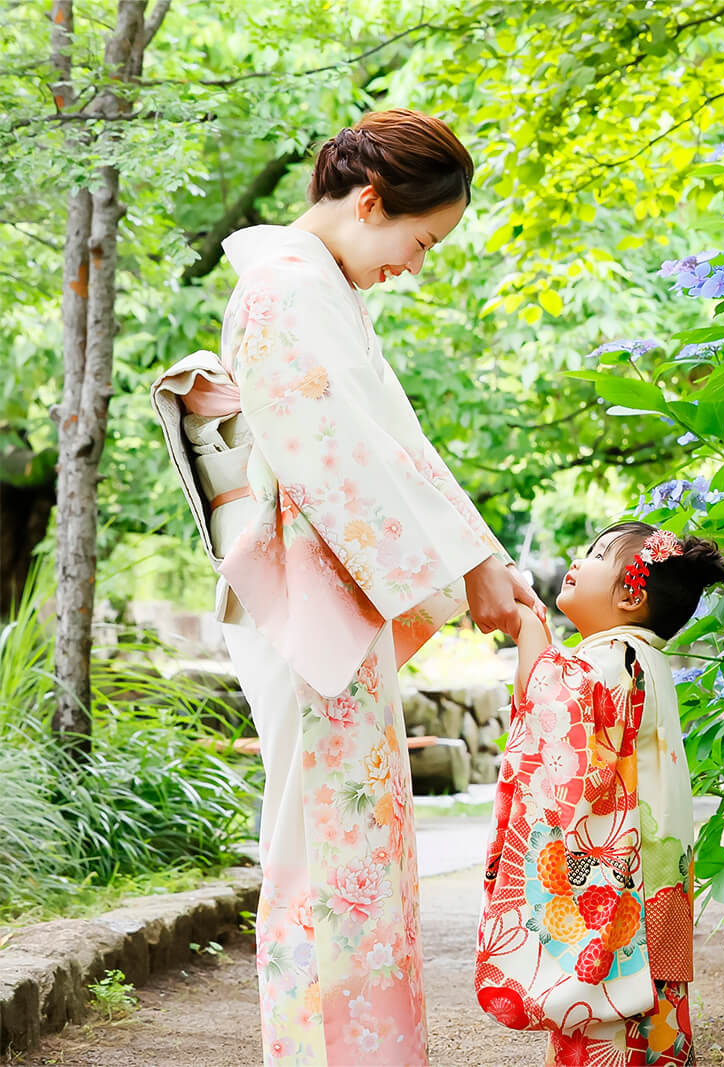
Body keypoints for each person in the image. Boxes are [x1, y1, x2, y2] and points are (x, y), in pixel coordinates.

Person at [152, 109, 545, 1066]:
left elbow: (391, 446)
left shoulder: (315, 290)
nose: (416, 264)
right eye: (420, 239)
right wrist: (468, 568)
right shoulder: (288, 291)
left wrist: (482, 561)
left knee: (353, 842)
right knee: (329, 850)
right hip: (304, 599)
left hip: (327, 590)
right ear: (369, 200)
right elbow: (343, 462)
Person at [475, 522, 724, 1066]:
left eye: (595, 554)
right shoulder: (643, 660)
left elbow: (550, 704)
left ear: (629, 595)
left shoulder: (617, 658)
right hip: (657, 878)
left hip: (624, 881)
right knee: (655, 1018)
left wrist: (526, 627)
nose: (577, 558)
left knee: (606, 1022)